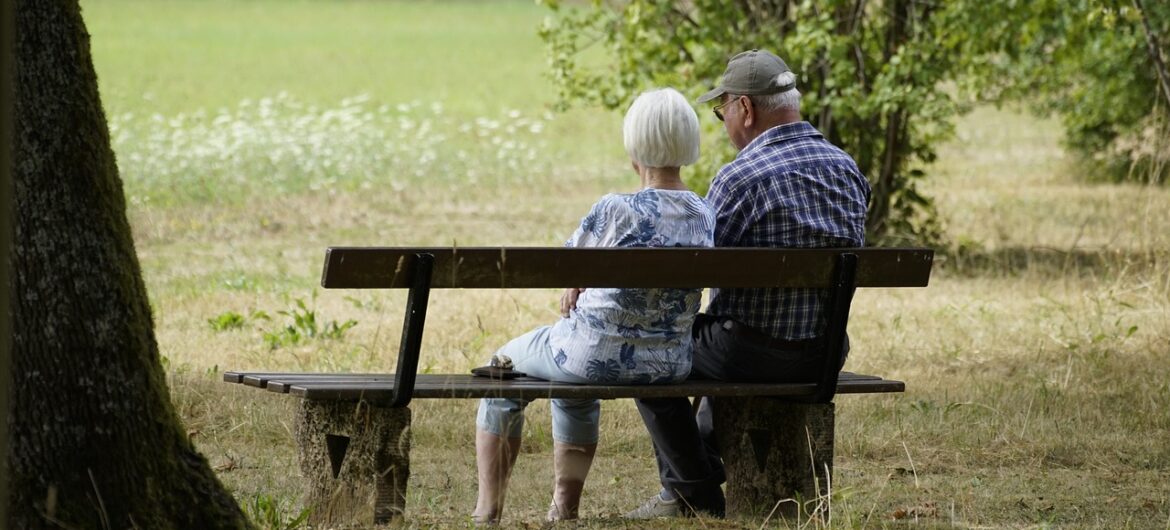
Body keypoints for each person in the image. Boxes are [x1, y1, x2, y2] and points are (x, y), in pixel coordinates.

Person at [625, 49, 871, 519]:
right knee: (725, 331)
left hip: (751, 354)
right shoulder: (848, 170)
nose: (724, 124)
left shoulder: (739, 179)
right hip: (824, 354)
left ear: (745, 108)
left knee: (647, 348)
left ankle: (693, 491)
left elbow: (695, 273)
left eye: (722, 114)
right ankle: (695, 475)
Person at [471, 88, 716, 525]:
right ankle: (563, 508)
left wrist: (575, 283)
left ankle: (487, 510)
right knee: (570, 381)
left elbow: (565, 265)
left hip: (591, 356)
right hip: (668, 363)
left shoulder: (615, 209)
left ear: (634, 146)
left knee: (501, 369)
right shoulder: (703, 213)